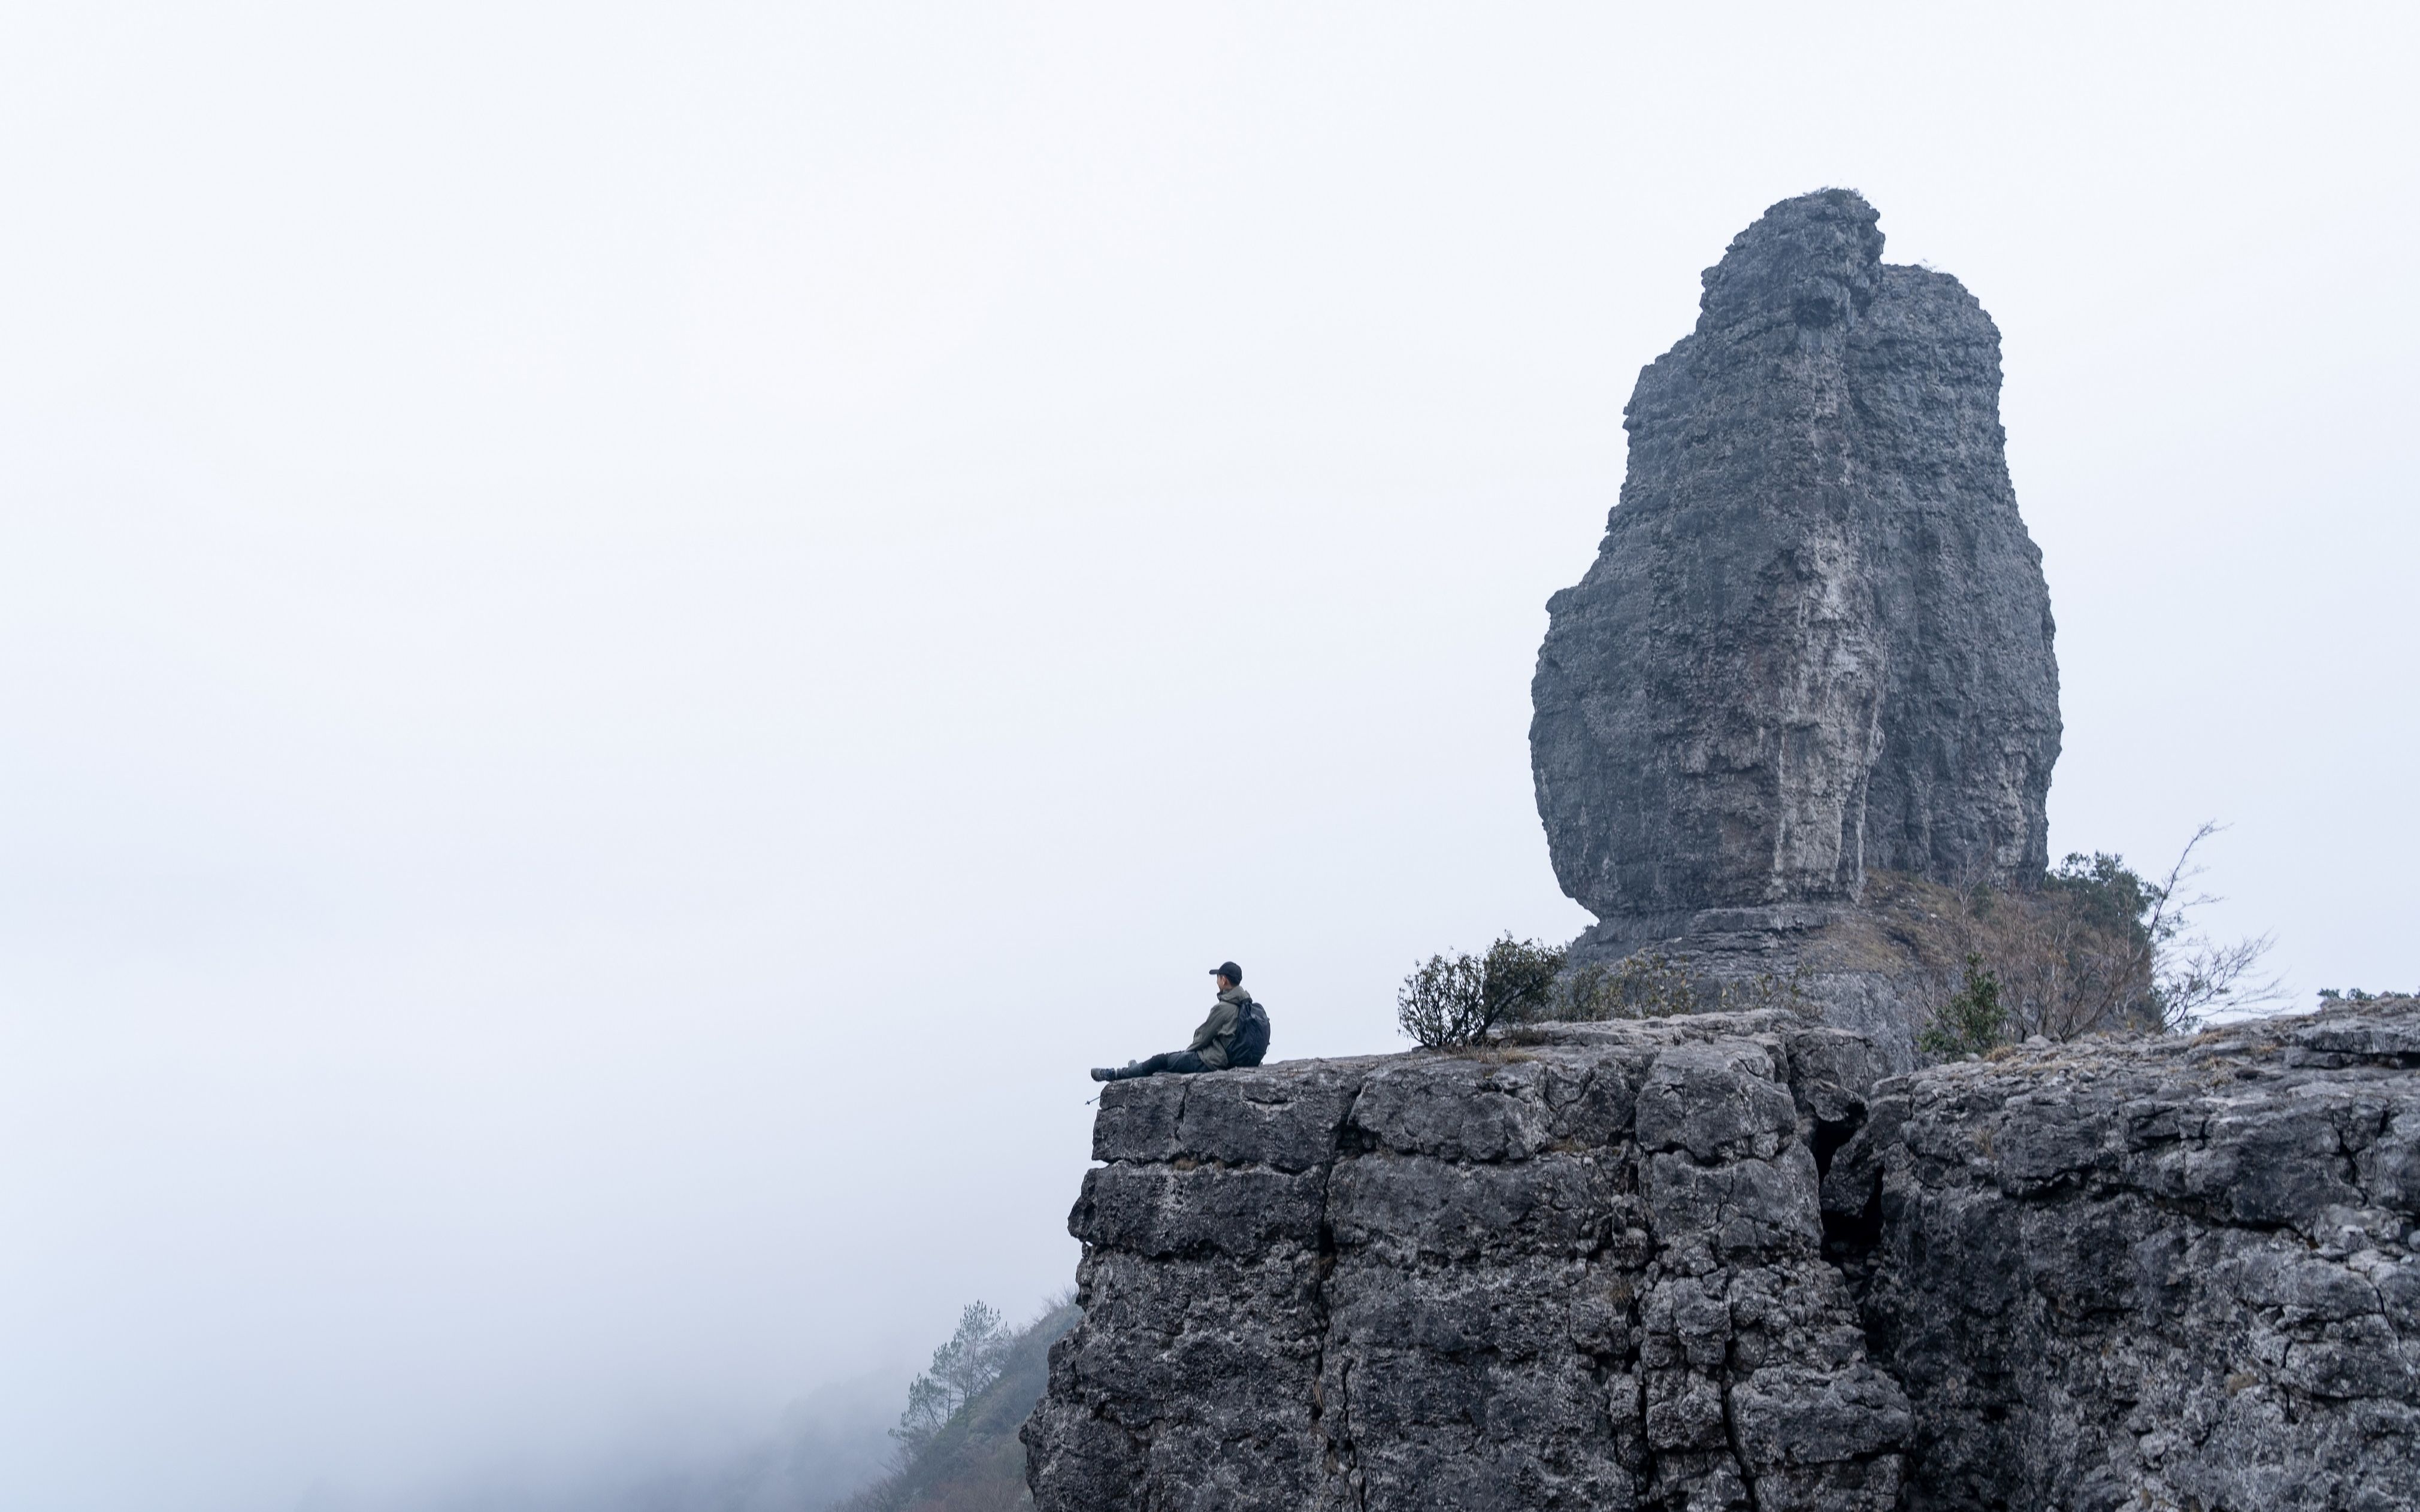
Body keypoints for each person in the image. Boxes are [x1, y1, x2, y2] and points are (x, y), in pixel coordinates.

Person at [1091, 962, 1260, 1081]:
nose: (1217, 980)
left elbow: (1202, 1037)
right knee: (1168, 1065)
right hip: (1230, 1060)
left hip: (1212, 1061)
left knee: (1162, 1061)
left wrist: (1186, 1055)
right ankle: (1135, 1069)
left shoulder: (1224, 1008)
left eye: (1218, 977)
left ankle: (1116, 1074)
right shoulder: (1246, 1004)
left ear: (1224, 980)